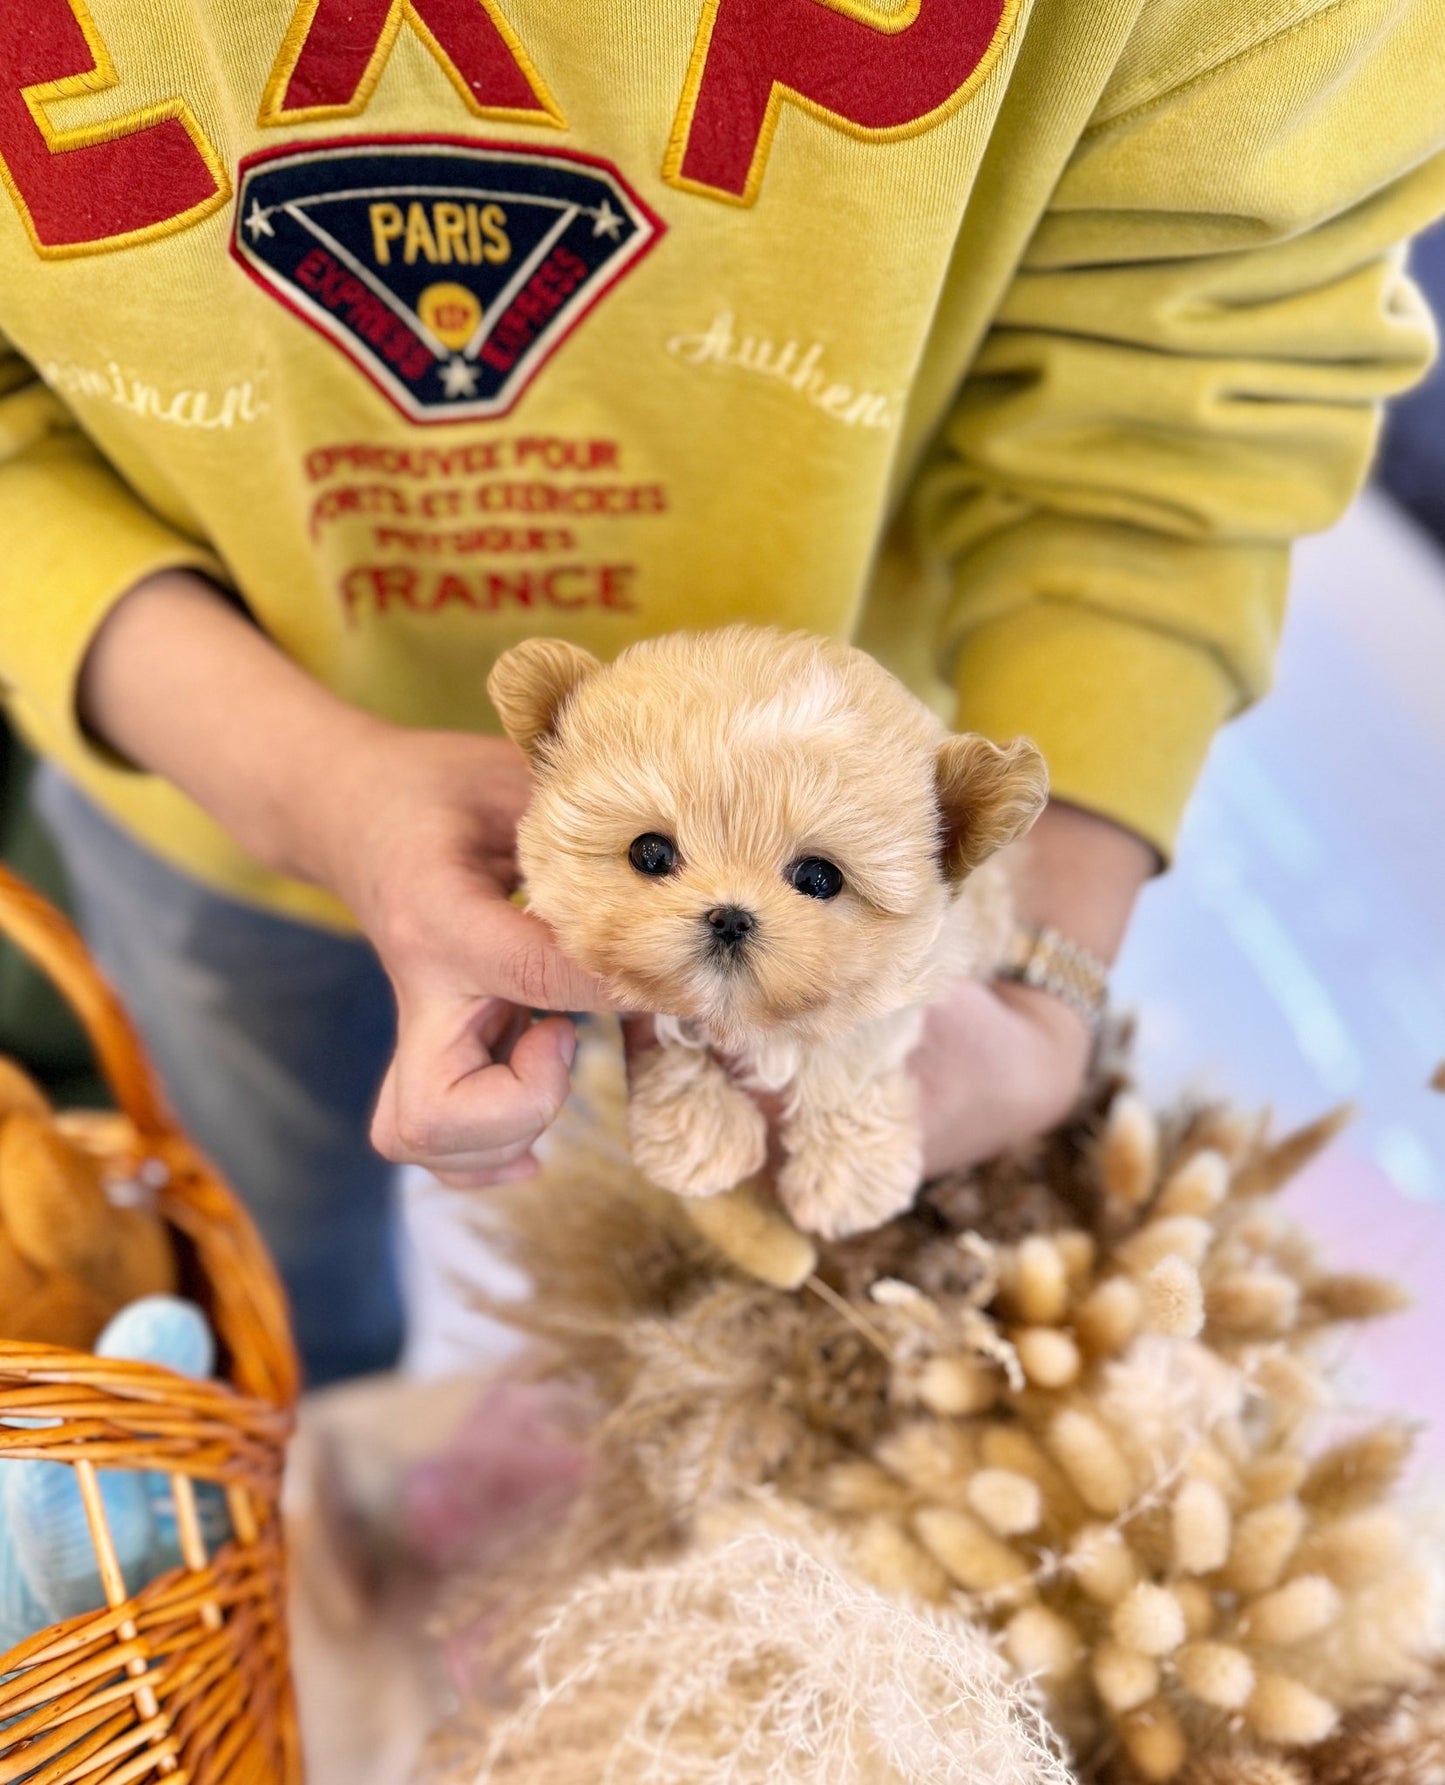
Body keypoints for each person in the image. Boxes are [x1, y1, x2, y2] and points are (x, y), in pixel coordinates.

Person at [2, 0, 1441, 1383]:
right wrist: (298, 778)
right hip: (191, 773)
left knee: (708, 1315)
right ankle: (299, 1456)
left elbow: (1190, 380)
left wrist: (1037, 965)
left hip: (874, 786)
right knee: (261, 1267)